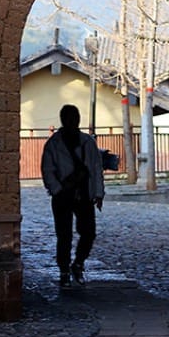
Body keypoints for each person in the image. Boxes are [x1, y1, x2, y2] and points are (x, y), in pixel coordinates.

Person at [40, 103, 105, 287]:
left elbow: (95, 168)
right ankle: (64, 269)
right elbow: (47, 170)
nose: (72, 121)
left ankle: (78, 263)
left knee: (89, 233)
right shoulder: (54, 144)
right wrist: (58, 190)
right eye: (69, 118)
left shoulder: (87, 142)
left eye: (74, 118)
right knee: (64, 234)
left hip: (84, 194)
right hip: (63, 195)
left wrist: (98, 193)